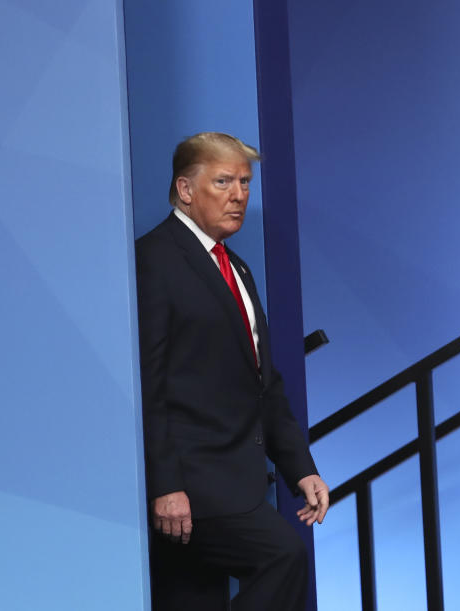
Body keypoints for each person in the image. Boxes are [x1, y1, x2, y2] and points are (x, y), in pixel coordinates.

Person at [135, 132, 329, 611]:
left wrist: (300, 469)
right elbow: (149, 384)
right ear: (185, 190)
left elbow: (265, 386)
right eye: (223, 181)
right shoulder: (154, 260)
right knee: (283, 556)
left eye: (244, 181)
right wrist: (165, 486)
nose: (239, 194)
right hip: (192, 487)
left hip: (234, 480)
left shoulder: (237, 268)